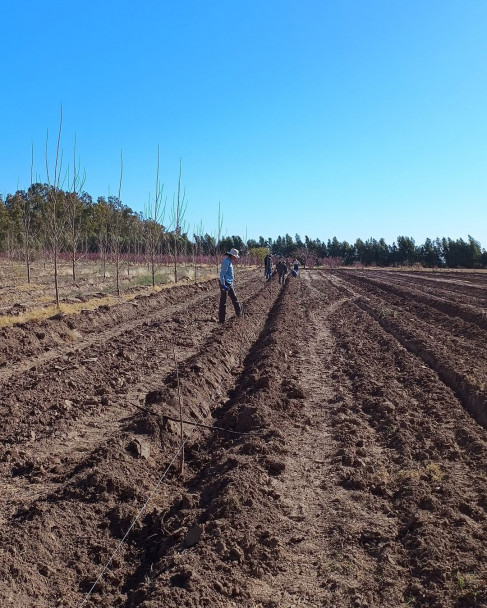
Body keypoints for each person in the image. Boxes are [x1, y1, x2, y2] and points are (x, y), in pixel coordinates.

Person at [218, 248, 242, 323]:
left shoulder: (230, 262)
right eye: (235, 256)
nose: (236, 258)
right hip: (225, 283)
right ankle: (222, 320)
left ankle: (239, 314)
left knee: (235, 299)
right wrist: (223, 285)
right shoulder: (226, 262)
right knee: (223, 302)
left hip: (229, 283)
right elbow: (222, 274)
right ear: (232, 255)